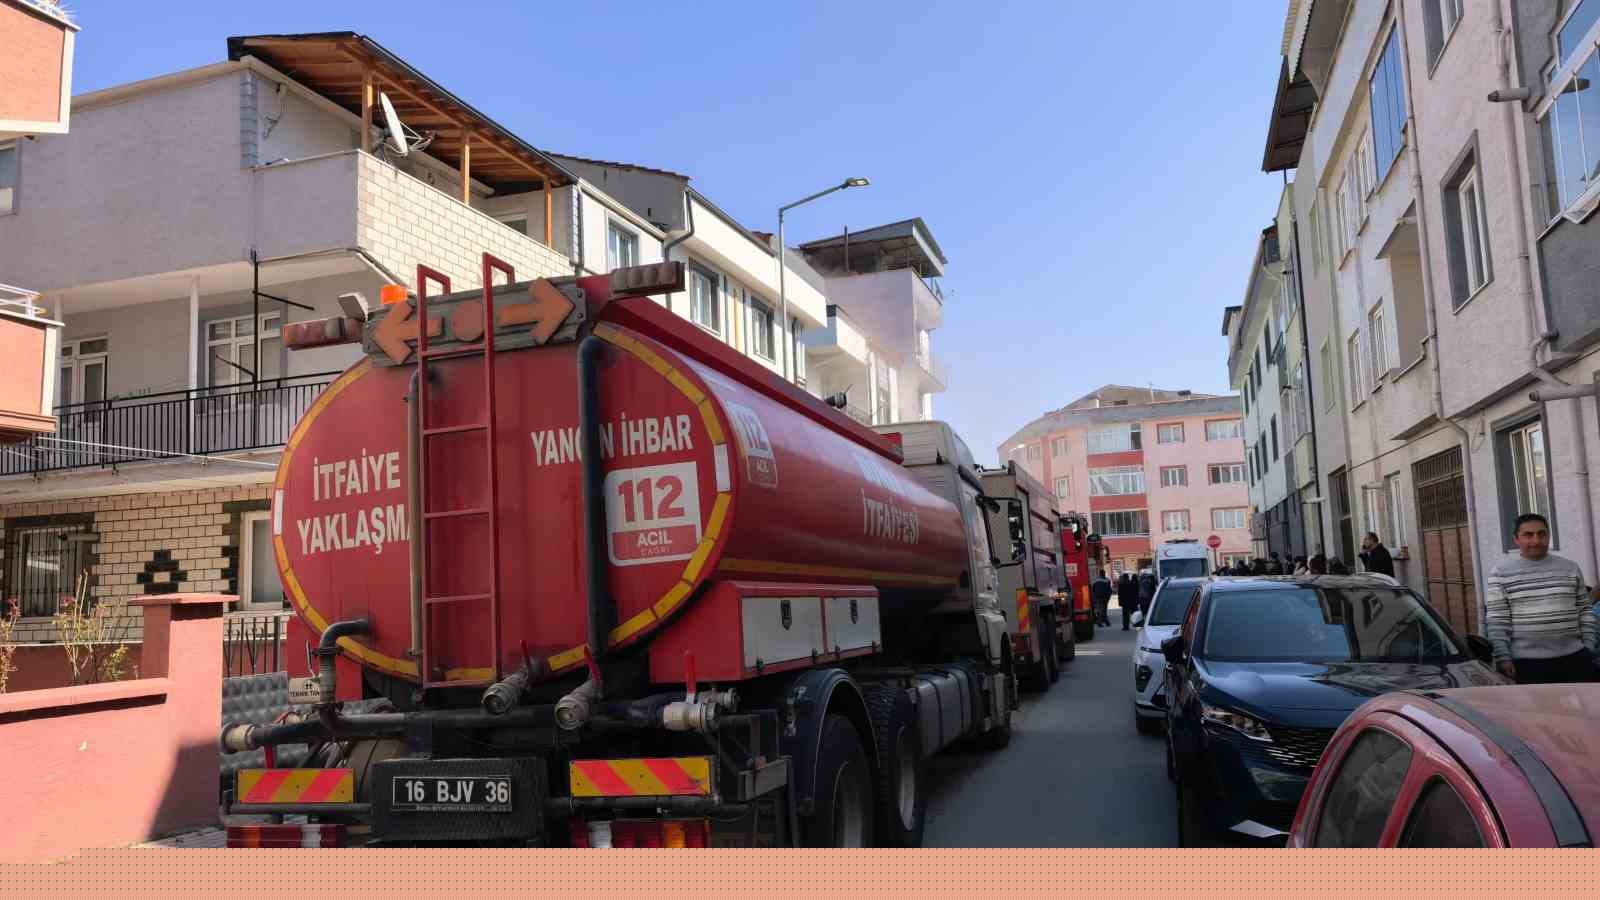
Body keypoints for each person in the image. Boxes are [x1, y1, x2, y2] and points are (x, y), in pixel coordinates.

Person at [1485, 513, 1598, 684]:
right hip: (1526, 664)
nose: (1536, 540)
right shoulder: (1501, 573)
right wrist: (1503, 657)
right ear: (1516, 539)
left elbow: (1585, 611)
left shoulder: (1570, 568)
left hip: (1575, 658)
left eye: (1541, 533)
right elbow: (1497, 620)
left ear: (1548, 536)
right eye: (1528, 535)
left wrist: (1588, 647)